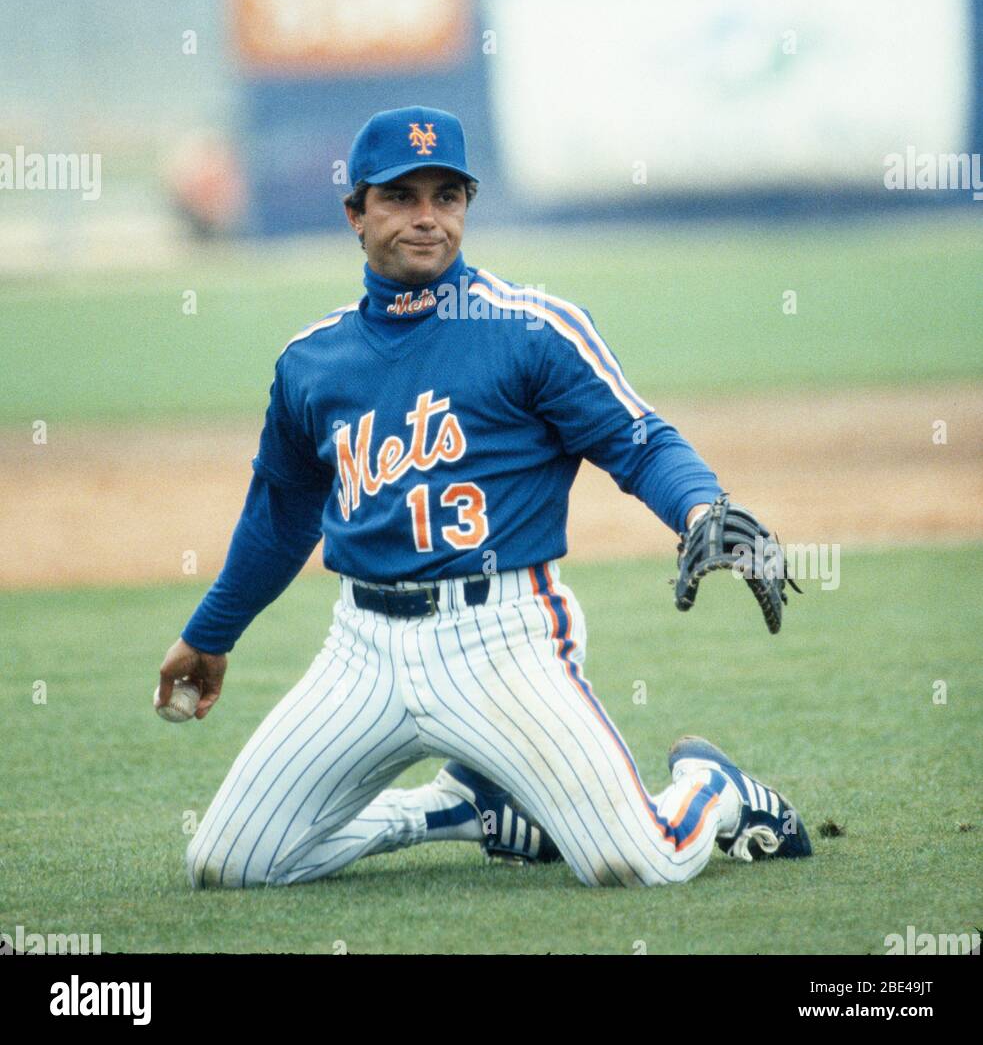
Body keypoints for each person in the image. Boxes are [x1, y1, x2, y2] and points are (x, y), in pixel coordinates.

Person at [156, 105, 812, 890]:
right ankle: (453, 811)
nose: (427, 218)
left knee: (641, 861)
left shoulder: (529, 330)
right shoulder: (311, 361)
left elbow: (638, 442)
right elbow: (281, 513)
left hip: (498, 643)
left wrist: (701, 508)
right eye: (400, 197)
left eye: (447, 195)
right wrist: (211, 631)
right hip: (358, 654)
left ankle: (713, 789)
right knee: (226, 866)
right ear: (355, 215)